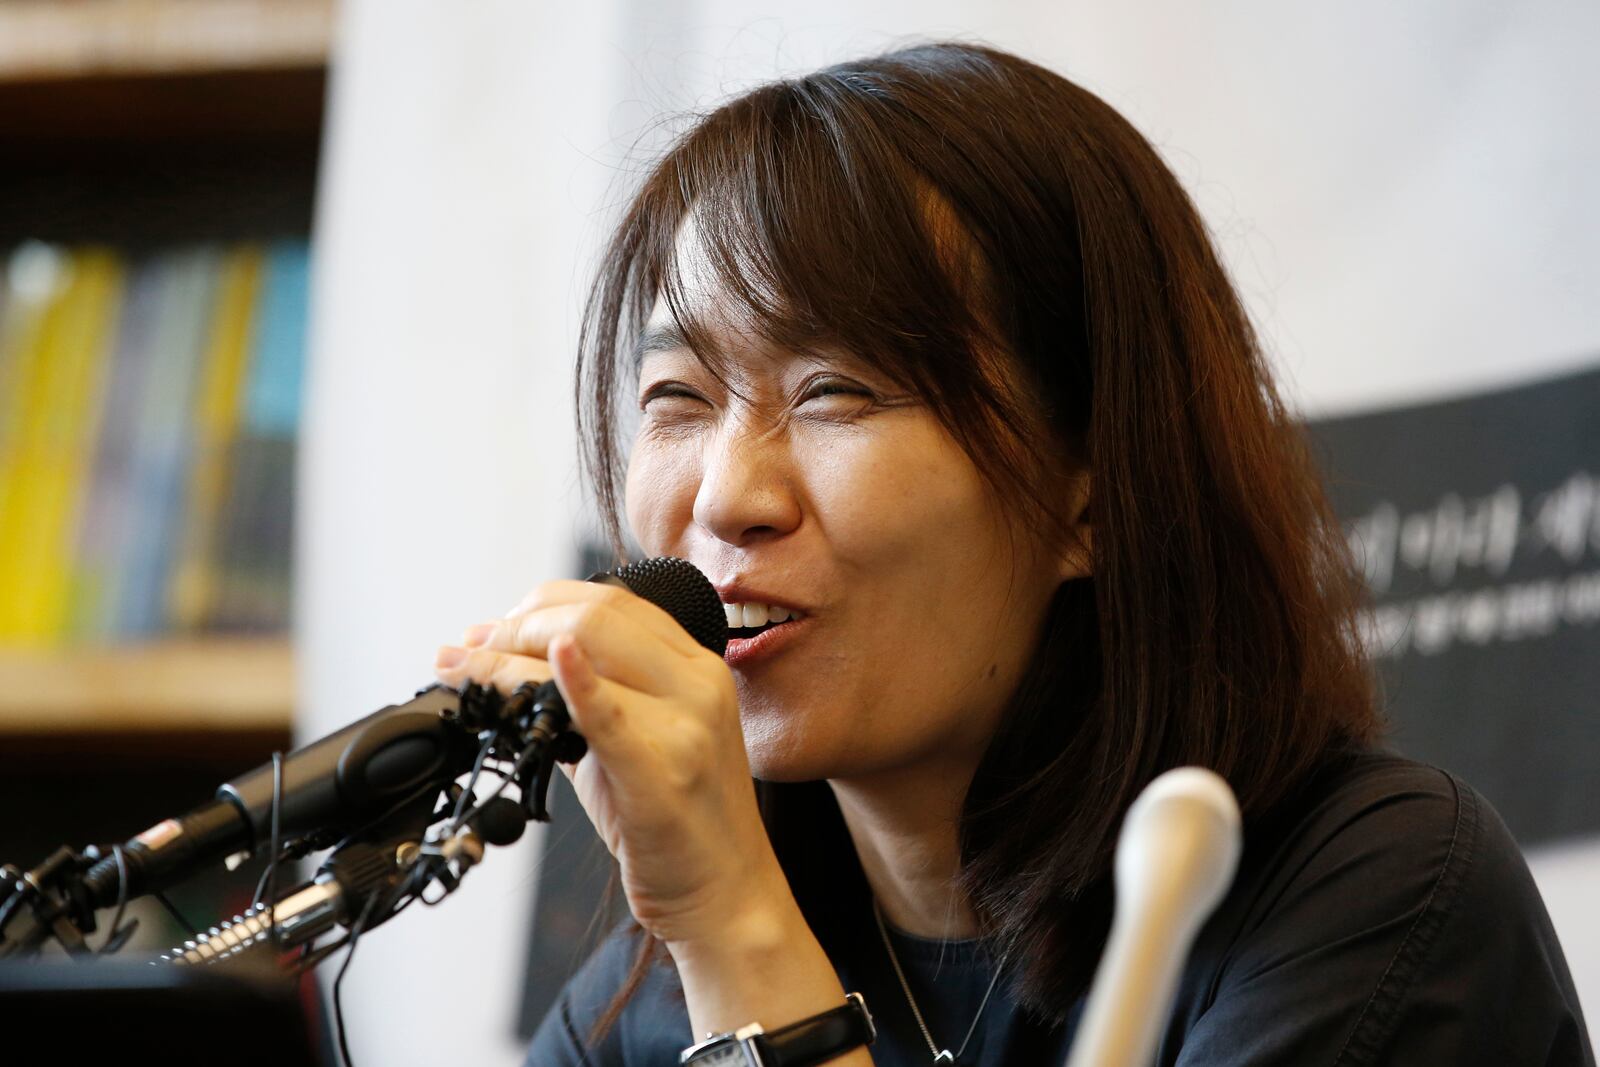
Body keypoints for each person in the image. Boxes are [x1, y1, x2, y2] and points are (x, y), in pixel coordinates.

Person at [431, 42, 1593, 1066]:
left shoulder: (1375, 900)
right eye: (676, 395)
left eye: (836, 389)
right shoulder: (634, 1014)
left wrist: (736, 931)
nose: (729, 496)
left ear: (1092, 491)